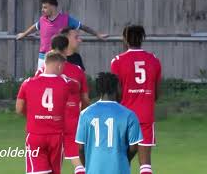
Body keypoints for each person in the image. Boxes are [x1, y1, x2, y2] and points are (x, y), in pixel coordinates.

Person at [111, 25, 162, 174]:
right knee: (145, 163)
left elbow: (116, 93)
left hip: (124, 116)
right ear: (142, 39)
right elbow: (156, 93)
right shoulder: (154, 60)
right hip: (145, 114)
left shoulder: (118, 61)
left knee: (122, 158)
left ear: (125, 39)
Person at [16, 52, 79, 174]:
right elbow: (77, 86)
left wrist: (32, 116)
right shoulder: (66, 83)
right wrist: (66, 78)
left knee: (37, 171)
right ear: (59, 65)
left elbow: (19, 109)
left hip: (35, 134)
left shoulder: (28, 83)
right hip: (56, 136)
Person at [35, 35, 89, 174]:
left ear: (50, 49)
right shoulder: (77, 70)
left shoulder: (42, 71)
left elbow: (35, 94)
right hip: (72, 119)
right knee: (76, 158)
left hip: (50, 120)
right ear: (66, 49)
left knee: (49, 160)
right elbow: (85, 98)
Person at [75, 72, 142, 174]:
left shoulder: (85, 114)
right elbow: (133, 148)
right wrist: (122, 161)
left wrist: (89, 166)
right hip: (120, 169)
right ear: (116, 89)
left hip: (94, 170)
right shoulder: (129, 115)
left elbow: (80, 148)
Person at [16, 0, 108, 68]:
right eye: (42, 7)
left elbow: (83, 27)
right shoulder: (42, 20)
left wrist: (97, 34)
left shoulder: (66, 19)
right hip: (43, 57)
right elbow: (34, 27)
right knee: (42, 80)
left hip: (59, 56)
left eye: (45, 7)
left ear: (52, 7)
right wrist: (23, 34)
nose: (42, 10)